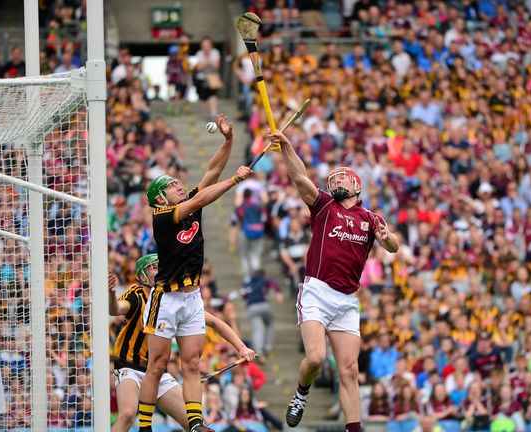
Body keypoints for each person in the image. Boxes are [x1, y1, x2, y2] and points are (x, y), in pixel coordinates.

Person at [267, 131, 400, 431]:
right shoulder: (325, 206)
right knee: (315, 358)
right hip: (317, 291)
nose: (336, 182)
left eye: (342, 178)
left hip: (346, 301)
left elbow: (393, 247)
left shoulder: (371, 218)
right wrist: (287, 146)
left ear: (356, 185)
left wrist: (386, 238)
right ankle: (301, 393)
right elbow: (300, 178)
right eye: (332, 179)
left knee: (349, 370)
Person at [138, 114, 251, 432]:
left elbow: (213, 170)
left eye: (177, 184)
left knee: (191, 363)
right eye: (172, 186)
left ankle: (197, 423)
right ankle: (144, 427)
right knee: (158, 366)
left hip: (191, 298)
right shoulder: (163, 216)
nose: (179, 186)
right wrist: (234, 181)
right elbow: (205, 193)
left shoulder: (189, 203)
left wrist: (228, 141)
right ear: (160, 198)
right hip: (165, 298)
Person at [108, 254, 255, 432]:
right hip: (130, 367)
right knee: (127, 414)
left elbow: (215, 322)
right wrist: (111, 294)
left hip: (159, 373)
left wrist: (241, 347)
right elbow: (116, 309)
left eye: (160, 266)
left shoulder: (173, 297)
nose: (160, 270)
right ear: (142, 277)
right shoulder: (137, 294)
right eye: (153, 267)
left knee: (195, 424)